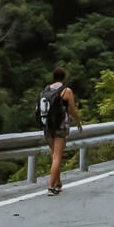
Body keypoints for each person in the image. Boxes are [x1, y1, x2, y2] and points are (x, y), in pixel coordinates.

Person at [43, 66, 82, 195]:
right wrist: (78, 123)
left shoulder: (46, 89)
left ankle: (58, 183)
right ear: (64, 77)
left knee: (54, 155)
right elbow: (72, 110)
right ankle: (51, 186)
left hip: (48, 126)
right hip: (60, 126)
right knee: (57, 156)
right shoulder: (66, 91)